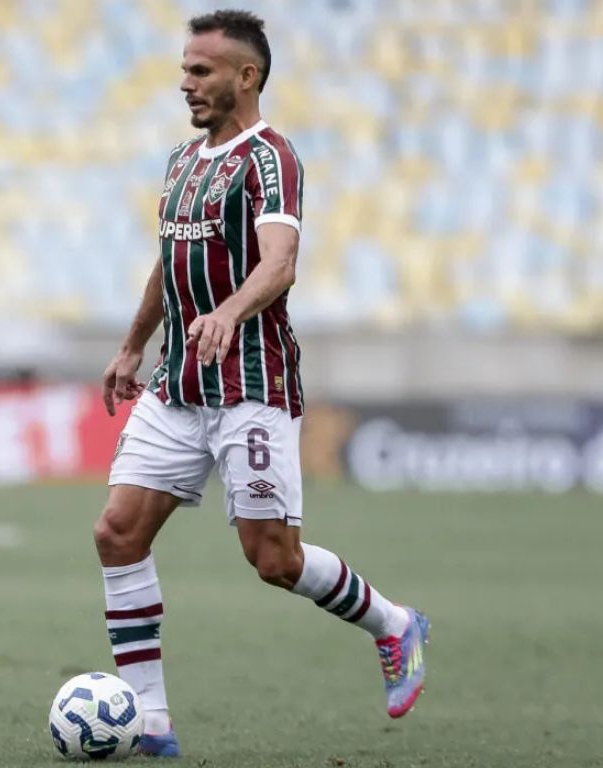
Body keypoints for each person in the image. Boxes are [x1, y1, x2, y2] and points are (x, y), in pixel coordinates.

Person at [94, 11, 428, 758]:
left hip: (251, 383)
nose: (186, 83)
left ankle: (395, 624)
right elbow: (167, 262)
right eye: (184, 70)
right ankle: (148, 722)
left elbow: (280, 263)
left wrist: (230, 311)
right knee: (117, 533)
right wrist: (130, 345)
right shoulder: (183, 160)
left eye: (201, 71)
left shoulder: (271, 159)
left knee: (273, 558)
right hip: (178, 382)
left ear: (246, 76)